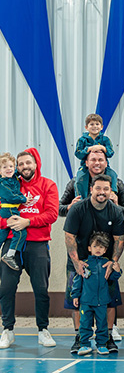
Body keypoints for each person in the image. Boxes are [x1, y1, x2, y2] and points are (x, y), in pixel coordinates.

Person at [0, 148, 58, 349]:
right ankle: (7, 330)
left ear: (36, 164)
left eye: (28, 163)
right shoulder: (8, 184)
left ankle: (43, 330)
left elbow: (51, 214)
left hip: (38, 244)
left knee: (41, 290)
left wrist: (27, 222)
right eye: (21, 163)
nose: (24, 167)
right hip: (11, 244)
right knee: (6, 288)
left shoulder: (48, 185)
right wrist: (7, 222)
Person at [64, 174, 124, 354]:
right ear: (91, 189)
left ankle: (106, 338)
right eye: (98, 188)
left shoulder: (115, 211)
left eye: (106, 189)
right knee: (76, 302)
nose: (102, 192)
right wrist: (76, 263)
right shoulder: (78, 209)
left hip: (104, 264)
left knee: (110, 301)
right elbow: (69, 236)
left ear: (110, 191)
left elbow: (120, 239)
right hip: (79, 262)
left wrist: (114, 262)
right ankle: (80, 338)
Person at [71, 232, 122, 356]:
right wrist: (75, 295)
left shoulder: (106, 264)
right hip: (86, 301)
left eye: (101, 247)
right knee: (84, 324)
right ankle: (84, 344)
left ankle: (101, 345)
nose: (98, 249)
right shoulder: (84, 263)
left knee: (102, 324)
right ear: (89, 248)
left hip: (102, 302)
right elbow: (78, 280)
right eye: (95, 246)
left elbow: (114, 278)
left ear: (105, 250)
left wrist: (118, 270)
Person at [59, 150, 124, 220]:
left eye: (100, 160)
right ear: (86, 163)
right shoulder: (75, 183)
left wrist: (116, 207)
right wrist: (69, 207)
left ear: (106, 163)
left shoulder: (117, 184)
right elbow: (58, 208)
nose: (97, 163)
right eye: (93, 160)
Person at [74, 113, 118, 196]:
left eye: (97, 124)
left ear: (101, 127)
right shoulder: (82, 140)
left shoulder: (105, 139)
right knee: (79, 178)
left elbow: (111, 153)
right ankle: (80, 197)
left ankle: (112, 193)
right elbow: (78, 154)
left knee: (113, 174)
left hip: (104, 167)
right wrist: (88, 149)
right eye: (92, 124)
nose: (95, 126)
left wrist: (102, 148)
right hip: (85, 167)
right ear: (86, 127)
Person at [0, 152, 30, 270]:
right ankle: (10, 255)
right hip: (9, 209)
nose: (9, 169)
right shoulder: (2, 183)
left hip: (11, 209)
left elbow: (21, 170)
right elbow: (11, 196)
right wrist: (24, 199)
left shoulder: (13, 177)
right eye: (5, 167)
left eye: (11, 166)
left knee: (3, 233)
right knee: (21, 232)